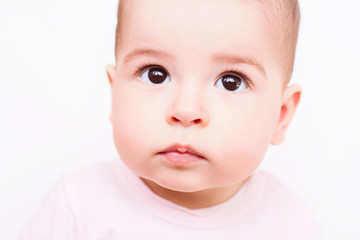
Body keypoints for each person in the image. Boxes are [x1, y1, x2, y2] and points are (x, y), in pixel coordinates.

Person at [20, 0, 325, 239]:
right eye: (156, 74)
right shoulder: (78, 206)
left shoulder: (291, 224)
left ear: (281, 116)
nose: (186, 110)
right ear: (114, 95)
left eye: (231, 81)